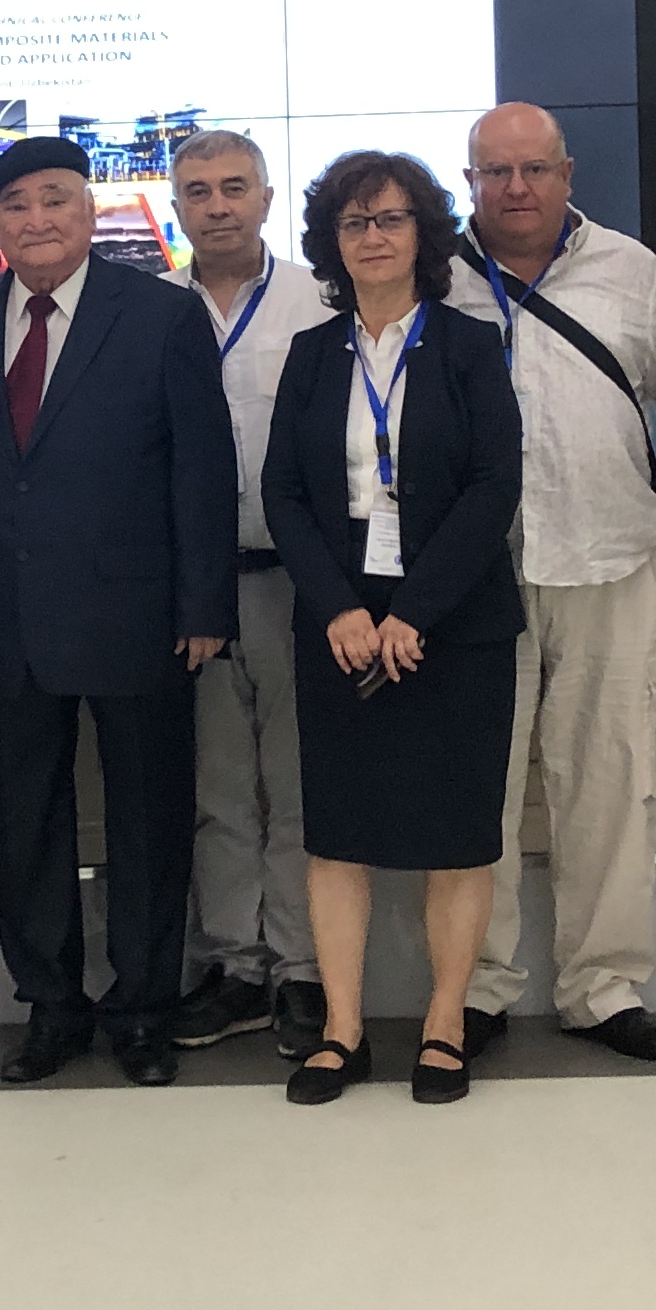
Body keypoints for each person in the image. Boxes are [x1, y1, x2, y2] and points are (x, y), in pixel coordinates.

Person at [0, 134, 238, 1086]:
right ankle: (51, 1007)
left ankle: (142, 1010)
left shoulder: (161, 316)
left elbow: (202, 465)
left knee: (148, 821)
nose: (38, 220)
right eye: (16, 206)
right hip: (7, 621)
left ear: (91, 211)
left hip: (141, 619)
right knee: (29, 823)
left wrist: (204, 603)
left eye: (56, 199)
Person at [259, 151, 525, 1106]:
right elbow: (284, 492)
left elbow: (495, 485)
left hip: (455, 620)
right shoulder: (309, 354)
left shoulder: (470, 346)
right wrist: (341, 607)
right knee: (339, 833)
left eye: (391, 219)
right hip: (340, 621)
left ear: (425, 234)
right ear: (332, 242)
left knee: (458, 833)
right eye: (354, 222)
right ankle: (342, 1031)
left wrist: (414, 612)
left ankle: (445, 1025)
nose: (372, 237)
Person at [447, 102, 656, 1064]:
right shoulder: (434, 276)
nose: (516, 188)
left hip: (609, 556)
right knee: (482, 784)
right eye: (495, 171)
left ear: (568, 172)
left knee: (614, 777)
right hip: (474, 574)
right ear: (469, 181)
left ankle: (604, 987)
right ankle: (475, 987)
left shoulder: (634, 271)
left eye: (535, 169)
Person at [160, 130, 333, 1057]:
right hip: (192, 590)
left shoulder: (321, 298)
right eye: (198, 191)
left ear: (268, 198)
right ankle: (235, 967)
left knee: (300, 785)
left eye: (235, 187)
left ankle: (303, 969)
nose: (218, 205)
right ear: (176, 205)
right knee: (217, 788)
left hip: (300, 581)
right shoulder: (149, 310)